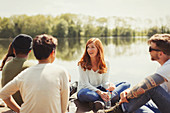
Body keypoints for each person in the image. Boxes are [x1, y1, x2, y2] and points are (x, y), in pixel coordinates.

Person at [100, 34, 170, 113]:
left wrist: (129, 94)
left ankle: (114, 111)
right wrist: (128, 92)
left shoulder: (168, 66)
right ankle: (120, 109)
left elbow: (148, 84)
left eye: (151, 49)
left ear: (160, 53)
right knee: (135, 104)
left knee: (151, 87)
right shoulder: (163, 68)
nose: (149, 51)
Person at [0, 34, 70, 113]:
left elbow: (3, 94)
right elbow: (64, 106)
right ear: (52, 52)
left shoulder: (24, 73)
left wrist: (20, 111)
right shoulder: (61, 71)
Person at [77, 38, 130, 110]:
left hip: (100, 89)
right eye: (88, 47)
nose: (89, 50)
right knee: (86, 95)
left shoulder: (106, 63)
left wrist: (110, 86)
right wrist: (100, 93)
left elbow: (105, 82)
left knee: (126, 84)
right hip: (86, 90)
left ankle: (106, 99)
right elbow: (85, 84)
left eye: (92, 47)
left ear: (98, 49)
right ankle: (109, 98)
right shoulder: (82, 63)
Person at [1, 34, 34, 106]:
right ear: (30, 51)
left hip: (11, 105)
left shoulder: (6, 66)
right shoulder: (32, 67)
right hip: (26, 106)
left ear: (14, 49)